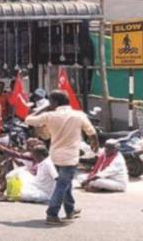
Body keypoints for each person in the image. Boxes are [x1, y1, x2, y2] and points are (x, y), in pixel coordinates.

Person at [26, 90, 98, 225]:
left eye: (51, 101)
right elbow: (91, 131)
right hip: (70, 157)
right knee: (63, 184)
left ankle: (70, 210)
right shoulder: (78, 115)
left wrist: (43, 108)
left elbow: (28, 119)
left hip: (55, 155)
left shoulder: (49, 115)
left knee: (66, 184)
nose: (50, 104)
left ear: (55, 102)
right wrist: (95, 143)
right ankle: (52, 213)